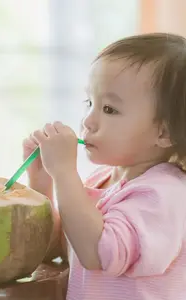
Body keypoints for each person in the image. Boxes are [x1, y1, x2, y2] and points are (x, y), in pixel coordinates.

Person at [22, 32, 186, 300]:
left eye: (109, 109)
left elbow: (97, 252)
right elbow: (65, 247)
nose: (88, 121)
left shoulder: (164, 195)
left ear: (164, 133)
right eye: (89, 103)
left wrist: (64, 173)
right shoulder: (102, 181)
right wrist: (42, 183)